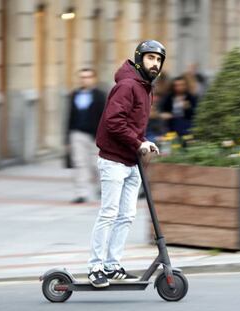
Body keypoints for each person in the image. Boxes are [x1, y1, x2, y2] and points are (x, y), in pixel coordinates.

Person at [87, 40, 165, 288]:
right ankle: (95, 267)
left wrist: (144, 141)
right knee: (109, 214)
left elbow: (132, 125)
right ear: (140, 58)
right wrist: (137, 142)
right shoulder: (128, 86)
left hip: (132, 161)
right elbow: (113, 122)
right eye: (150, 58)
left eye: (159, 59)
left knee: (127, 215)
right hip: (113, 160)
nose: (155, 63)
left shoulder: (145, 87)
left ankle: (112, 265)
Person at [66, 68, 106, 204]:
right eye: (82, 77)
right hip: (77, 133)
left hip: (95, 136)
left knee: (96, 165)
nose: (85, 79)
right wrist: (67, 139)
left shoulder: (100, 95)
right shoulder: (74, 94)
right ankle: (81, 193)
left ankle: (102, 189)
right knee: (79, 163)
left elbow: (104, 117)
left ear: (93, 79)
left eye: (88, 77)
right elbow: (69, 117)